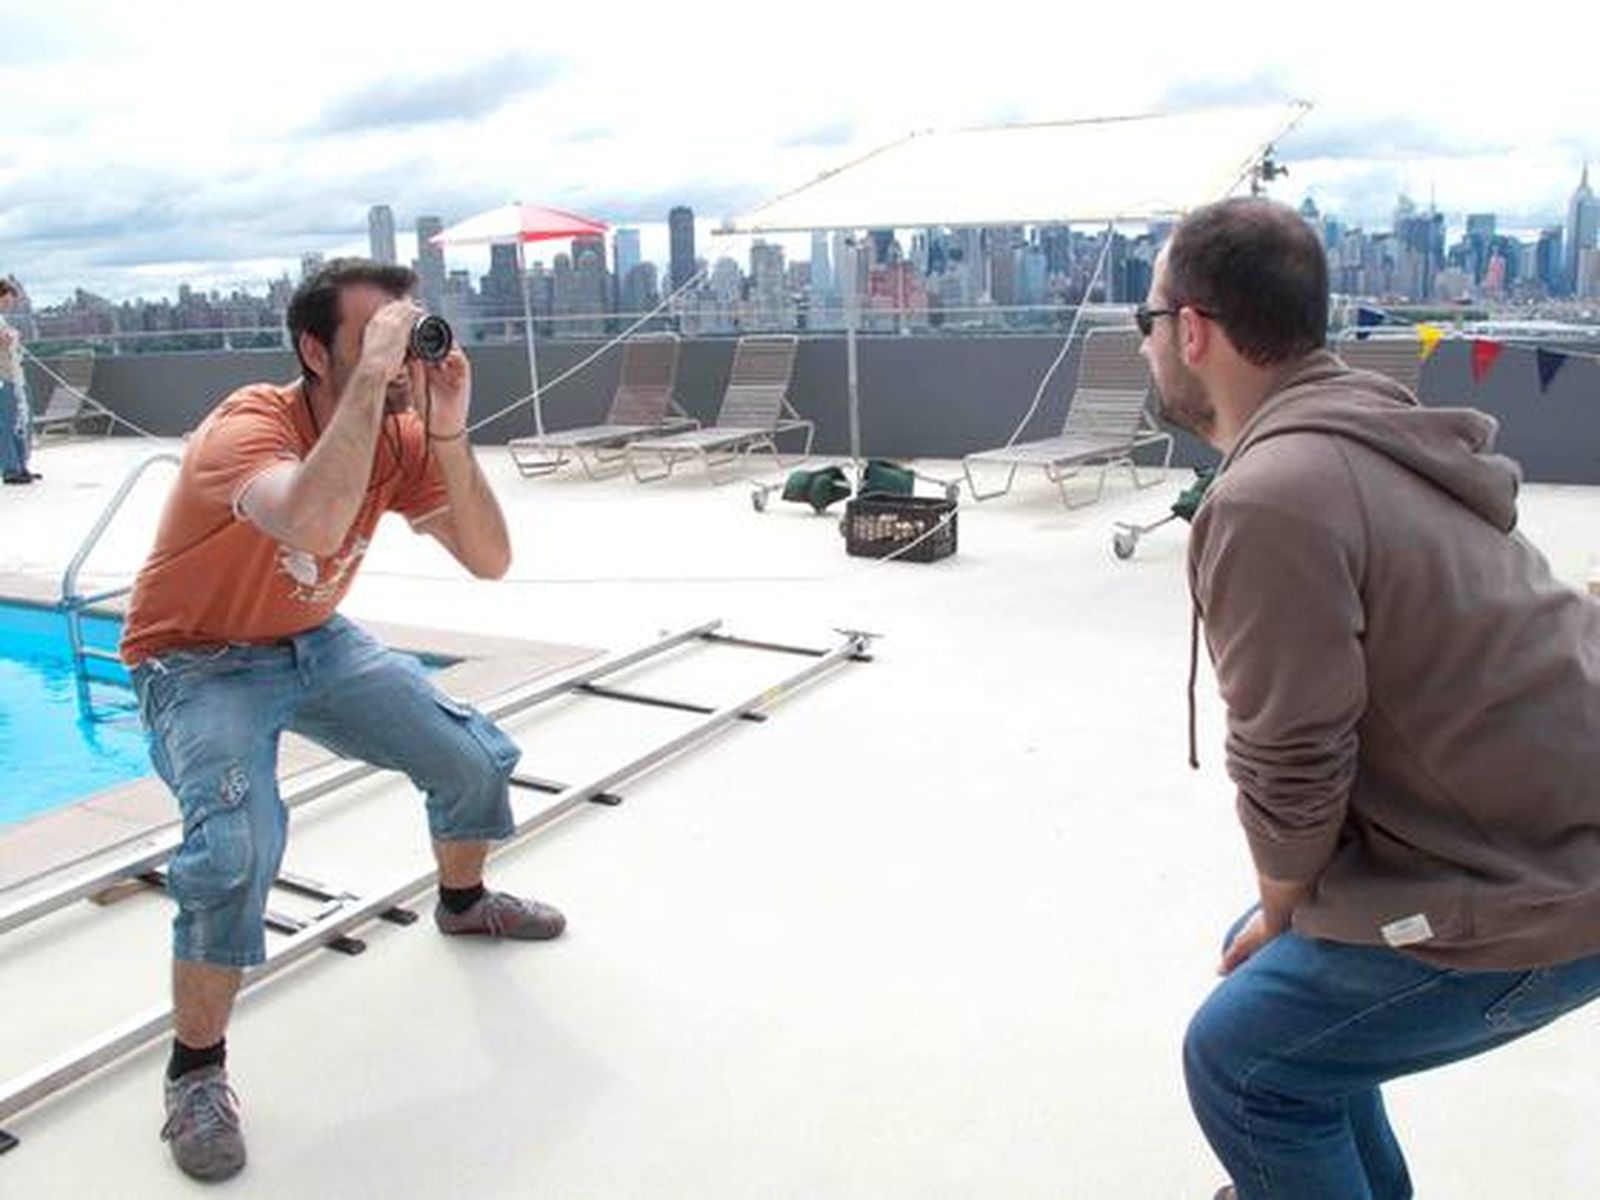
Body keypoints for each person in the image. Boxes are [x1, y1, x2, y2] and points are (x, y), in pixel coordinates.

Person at [1138, 198, 1600, 1200]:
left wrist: (1282, 908)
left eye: (1145, 322)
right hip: (1548, 835)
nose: (1146, 347)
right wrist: (1285, 916)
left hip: (1545, 893)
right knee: (1277, 1005)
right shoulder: (1371, 423)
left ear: (1191, 330)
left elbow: (1293, 765)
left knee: (1242, 1059)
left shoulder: (1272, 497)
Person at [120, 258, 565, 1183]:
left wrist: (445, 433)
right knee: (234, 848)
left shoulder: (404, 431)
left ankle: (462, 901)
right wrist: (374, 386)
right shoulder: (247, 427)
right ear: (313, 351)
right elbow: (314, 524)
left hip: (311, 638)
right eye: (374, 342)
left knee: (471, 756)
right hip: (197, 657)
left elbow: (489, 558)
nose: (399, 360)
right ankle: (194, 1074)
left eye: (406, 335)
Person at [0, 276, 40, 484]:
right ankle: (10, 469)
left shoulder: (2, 319)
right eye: (6, 300)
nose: (9, 305)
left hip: (14, 376)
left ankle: (21, 465)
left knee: (20, 421)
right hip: (2, 378)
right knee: (5, 424)